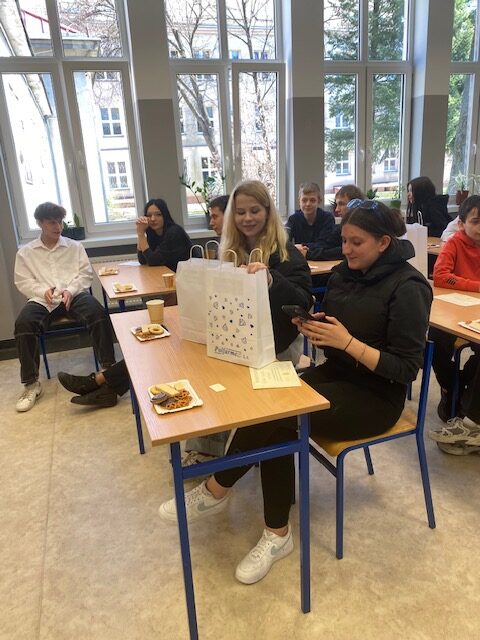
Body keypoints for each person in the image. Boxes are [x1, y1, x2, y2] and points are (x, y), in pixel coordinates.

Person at [158, 198, 432, 585]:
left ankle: (220, 491)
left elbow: (405, 369)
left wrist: (347, 341)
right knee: (274, 408)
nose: (346, 249)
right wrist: (316, 326)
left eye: (356, 242)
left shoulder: (409, 287)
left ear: (384, 242)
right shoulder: (345, 274)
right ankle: (274, 531)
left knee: (284, 416)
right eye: (344, 240)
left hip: (377, 397)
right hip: (338, 373)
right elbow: (337, 325)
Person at [14, 202, 115, 412]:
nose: (58, 226)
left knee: (98, 314)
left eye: (60, 221)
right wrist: (42, 291)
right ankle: (31, 384)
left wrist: (71, 290)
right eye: (52, 222)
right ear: (40, 223)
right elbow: (23, 281)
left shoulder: (75, 247)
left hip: (74, 295)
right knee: (23, 324)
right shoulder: (25, 253)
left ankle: (108, 371)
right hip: (43, 300)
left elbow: (85, 274)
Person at [427, 195, 480, 455]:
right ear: (461, 224)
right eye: (476, 221)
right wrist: (476, 286)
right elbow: (441, 277)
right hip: (451, 311)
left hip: (476, 315)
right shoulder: (454, 244)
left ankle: (464, 394)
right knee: (436, 341)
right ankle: (452, 388)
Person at [306, 184, 365, 261]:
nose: (336, 209)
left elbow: (341, 251)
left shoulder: (365, 228)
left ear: (354, 205)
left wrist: (308, 254)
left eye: (341, 204)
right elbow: (326, 244)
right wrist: (303, 247)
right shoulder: (342, 227)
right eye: (337, 205)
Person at [137, 198, 192, 271]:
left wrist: (141, 234)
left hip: (186, 274)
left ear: (165, 216)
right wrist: (141, 233)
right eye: (149, 215)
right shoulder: (152, 232)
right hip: (167, 273)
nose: (153, 219)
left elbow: (153, 261)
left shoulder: (174, 232)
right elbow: (142, 260)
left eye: (158, 214)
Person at [285, 182, 335, 258]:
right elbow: (285, 242)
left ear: (319, 201)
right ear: (299, 201)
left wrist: (301, 246)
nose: (308, 204)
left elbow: (325, 244)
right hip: (301, 259)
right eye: (304, 200)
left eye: (312, 200)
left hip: (321, 259)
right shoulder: (293, 219)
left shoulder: (328, 218)